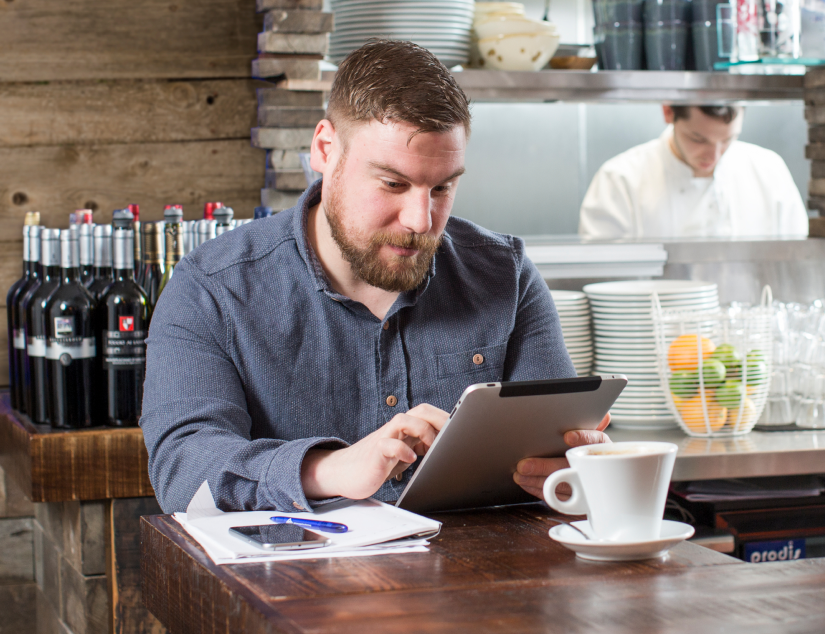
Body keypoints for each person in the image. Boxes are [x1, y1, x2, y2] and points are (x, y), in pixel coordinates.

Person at [140, 40, 608, 514]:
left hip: (477, 579)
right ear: (325, 150)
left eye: (442, 187)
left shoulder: (505, 275)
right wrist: (328, 467)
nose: (421, 220)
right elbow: (182, 470)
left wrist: (579, 468)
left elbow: (556, 460)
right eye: (393, 184)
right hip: (297, 583)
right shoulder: (211, 289)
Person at [578, 104, 807, 240]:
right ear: (668, 112)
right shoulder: (620, 179)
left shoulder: (769, 170)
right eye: (698, 139)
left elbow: (796, 260)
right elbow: (603, 276)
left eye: (728, 139)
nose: (714, 155)